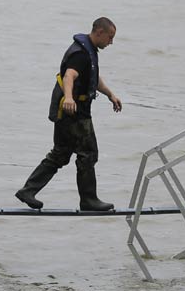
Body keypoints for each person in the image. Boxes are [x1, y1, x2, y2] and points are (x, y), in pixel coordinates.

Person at [15, 17, 123, 211]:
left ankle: (28, 191)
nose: (111, 42)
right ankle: (88, 200)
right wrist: (70, 98)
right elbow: (69, 76)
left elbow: (93, 77)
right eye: (110, 37)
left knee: (61, 153)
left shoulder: (87, 51)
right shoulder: (80, 54)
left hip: (68, 111)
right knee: (88, 153)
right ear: (99, 32)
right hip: (73, 111)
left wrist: (110, 94)